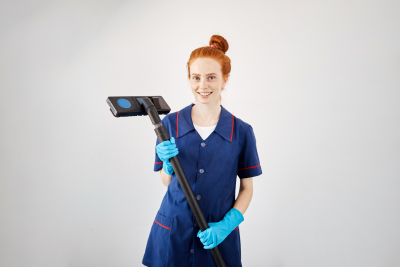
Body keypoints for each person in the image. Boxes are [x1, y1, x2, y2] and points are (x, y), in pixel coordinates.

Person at [142, 35, 262, 267]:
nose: (203, 85)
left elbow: (247, 188)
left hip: (217, 236)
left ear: (224, 80)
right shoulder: (169, 124)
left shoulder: (241, 131)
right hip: (173, 232)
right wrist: (167, 165)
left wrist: (228, 224)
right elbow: (166, 181)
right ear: (189, 79)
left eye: (211, 77)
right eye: (196, 78)